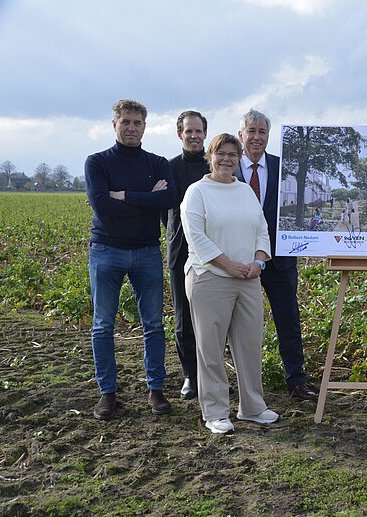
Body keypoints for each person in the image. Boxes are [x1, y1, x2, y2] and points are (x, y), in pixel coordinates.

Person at [85, 99, 176, 420]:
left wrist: (122, 195)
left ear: (145, 127)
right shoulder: (97, 162)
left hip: (147, 251)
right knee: (102, 325)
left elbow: (168, 198)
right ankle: (107, 394)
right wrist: (148, 199)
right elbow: (102, 206)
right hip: (105, 251)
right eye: (125, 122)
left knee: (154, 324)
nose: (131, 128)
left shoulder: (158, 163)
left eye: (137, 123)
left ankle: (156, 390)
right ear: (114, 125)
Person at [181, 133, 277, 434]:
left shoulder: (245, 191)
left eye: (232, 155)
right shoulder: (197, 192)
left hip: (248, 279)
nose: (226, 159)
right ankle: (215, 412)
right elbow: (196, 237)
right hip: (210, 278)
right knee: (210, 348)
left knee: (249, 345)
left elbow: (261, 230)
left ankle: (252, 407)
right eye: (220, 154)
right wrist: (228, 265)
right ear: (210, 157)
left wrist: (258, 262)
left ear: (239, 159)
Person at [234, 109, 318, 401]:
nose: (257, 137)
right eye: (251, 131)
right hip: (239, 259)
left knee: (288, 320)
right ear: (241, 135)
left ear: (269, 136)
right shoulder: (227, 167)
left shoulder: (284, 167)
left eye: (262, 132)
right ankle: (244, 384)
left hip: (280, 259)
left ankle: (296, 380)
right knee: (239, 323)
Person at [163, 110, 210, 400]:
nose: (194, 136)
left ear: (205, 134)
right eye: (188, 131)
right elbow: (164, 211)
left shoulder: (215, 164)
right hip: (180, 251)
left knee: (212, 318)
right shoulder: (168, 168)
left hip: (214, 251)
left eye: (198, 131)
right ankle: (190, 376)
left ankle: (212, 375)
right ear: (179, 134)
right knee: (184, 317)